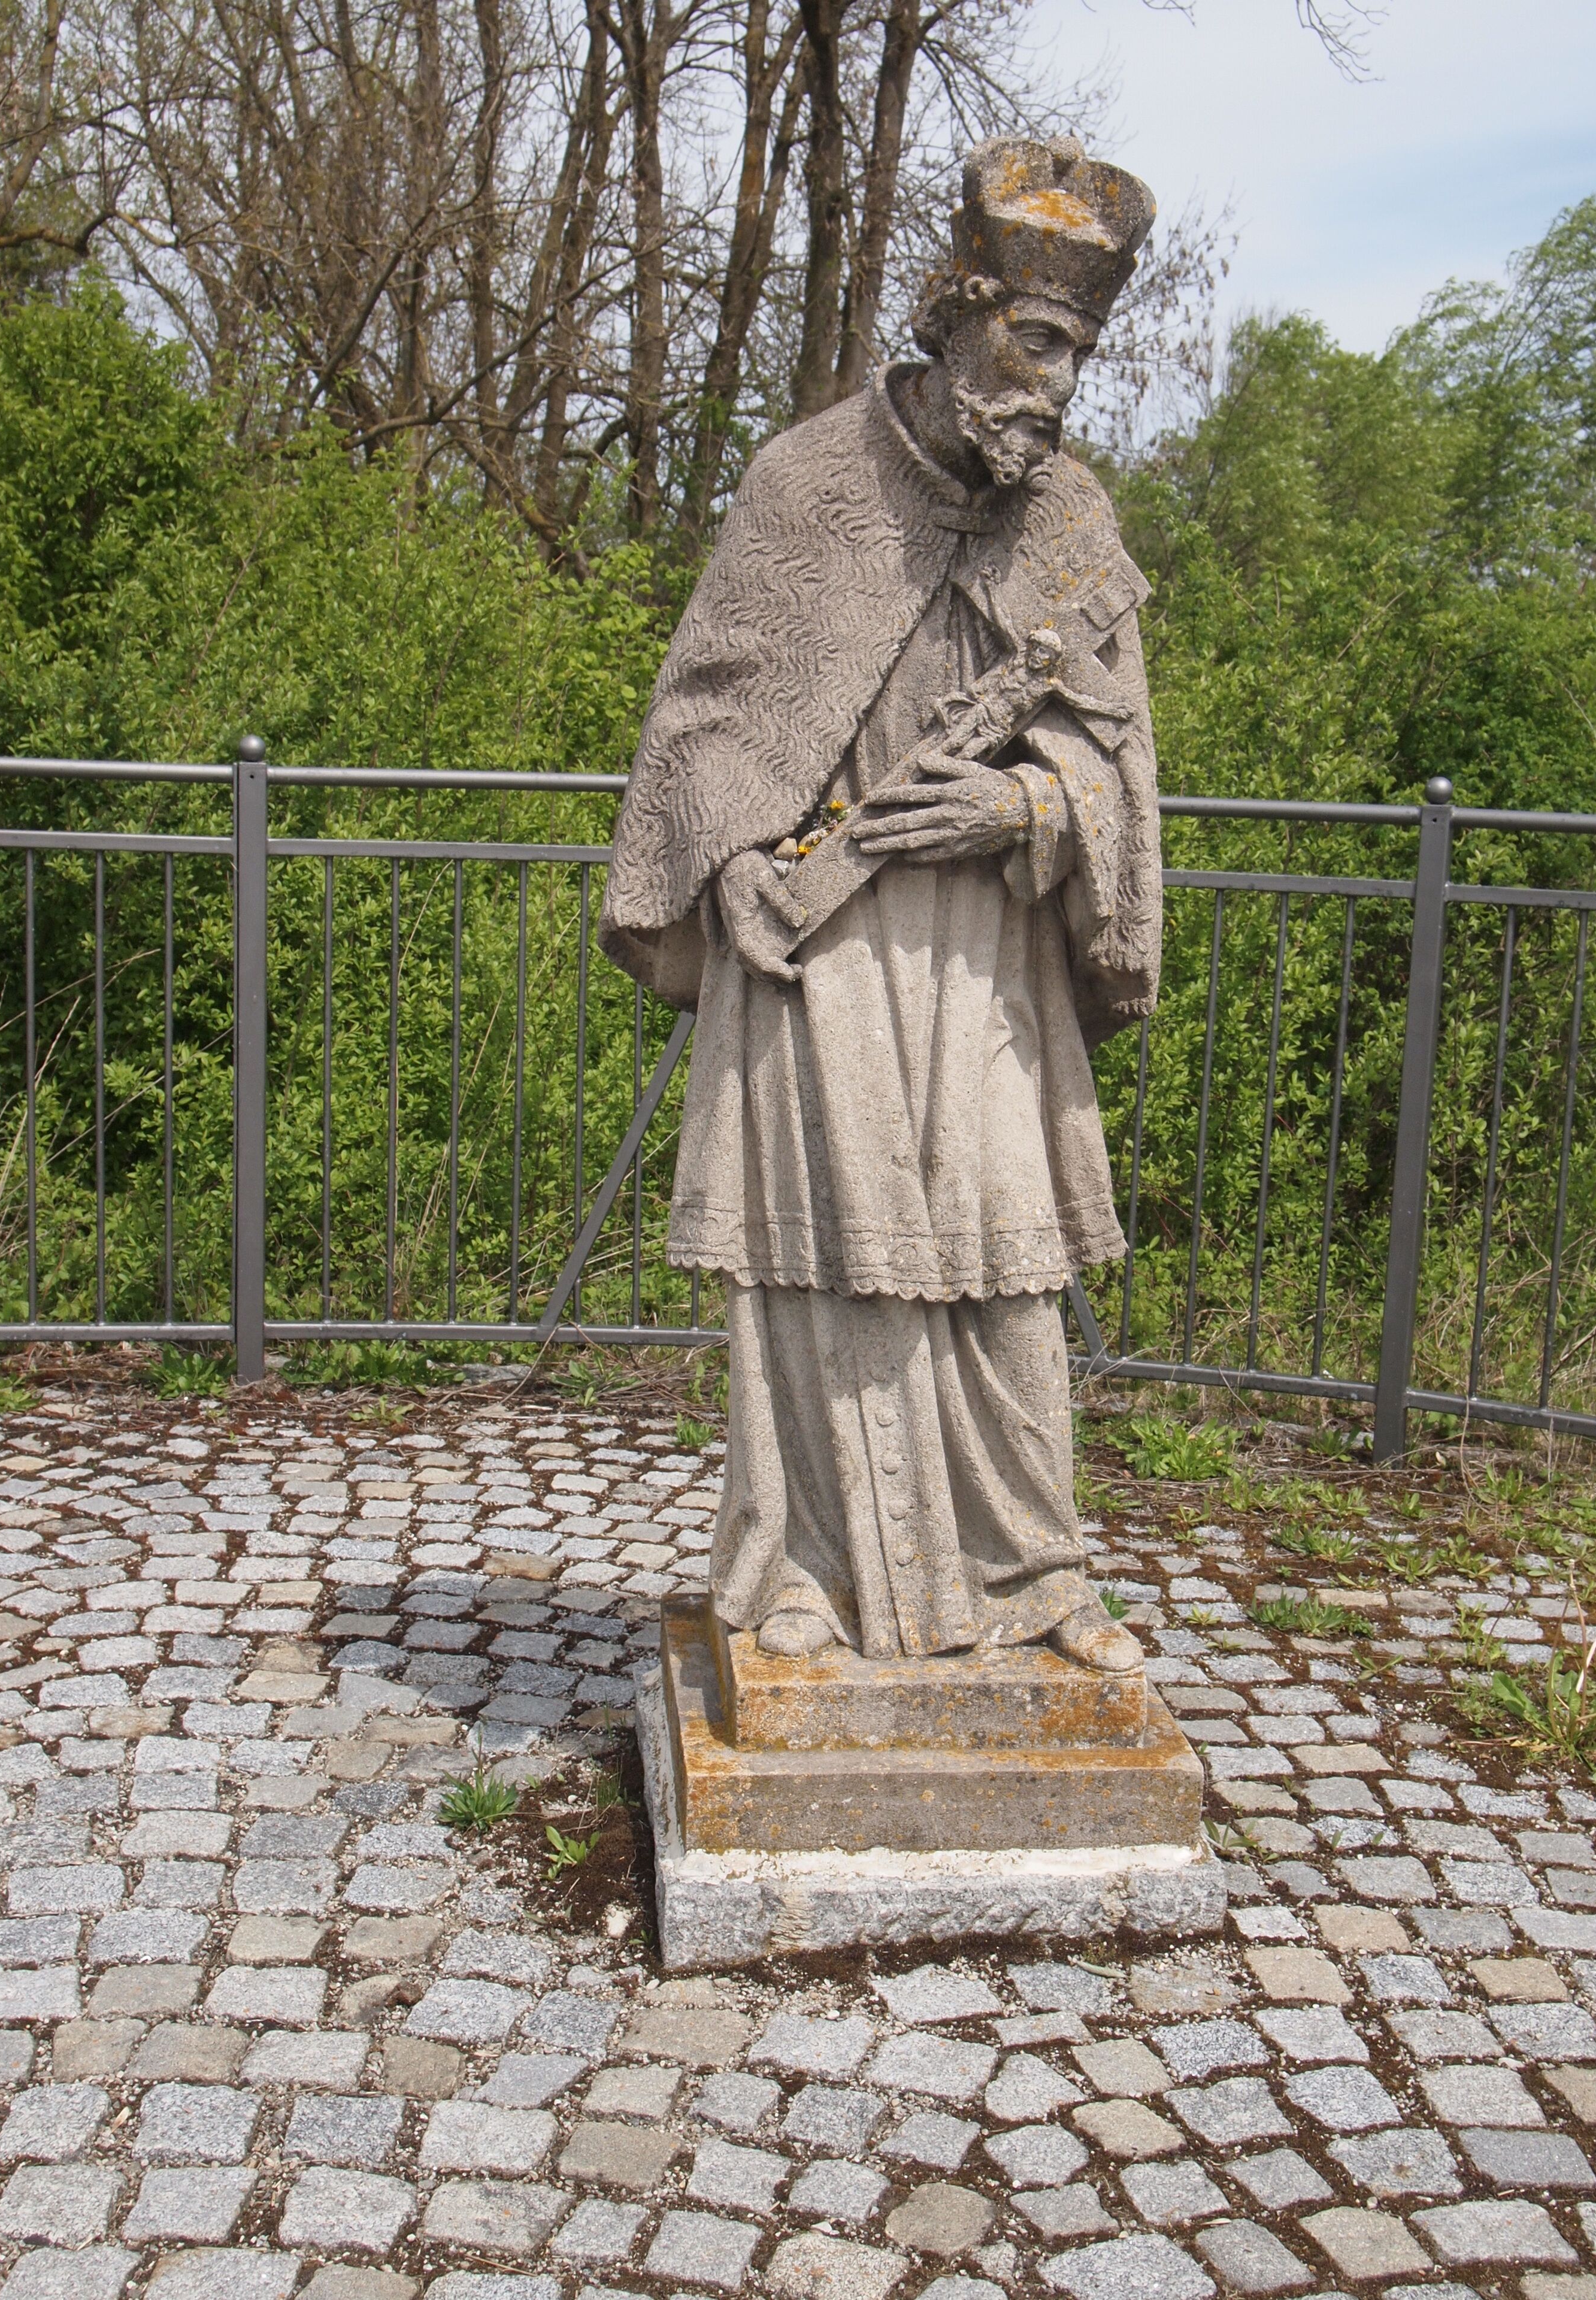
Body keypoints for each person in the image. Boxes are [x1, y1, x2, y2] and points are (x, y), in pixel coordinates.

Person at [599, 135, 1163, 1675]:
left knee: (1004, 1269)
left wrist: (1024, 806)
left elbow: (1114, 769)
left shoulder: (1072, 529)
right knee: (813, 1267)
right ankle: (800, 1575)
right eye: (1038, 342)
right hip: (821, 949)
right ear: (961, 314)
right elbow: (709, 721)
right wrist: (730, 870)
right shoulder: (812, 485)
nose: (1054, 385)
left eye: (1079, 354)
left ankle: (1034, 1574)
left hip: (986, 952)